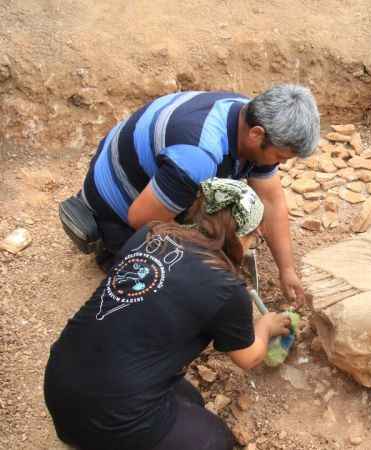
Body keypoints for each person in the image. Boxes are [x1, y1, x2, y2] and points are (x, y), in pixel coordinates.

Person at [45, 178, 292, 450]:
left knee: (192, 401)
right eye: (255, 236)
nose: (253, 244)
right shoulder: (225, 287)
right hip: (113, 416)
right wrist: (266, 326)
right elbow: (248, 357)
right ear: (242, 234)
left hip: (60, 384)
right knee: (216, 440)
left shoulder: (151, 233)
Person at [76, 84, 319, 303]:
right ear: (257, 135)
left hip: (158, 177)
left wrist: (286, 269)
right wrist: (212, 263)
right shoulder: (199, 154)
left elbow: (271, 200)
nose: (281, 164)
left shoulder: (248, 117)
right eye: (280, 157)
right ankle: (110, 247)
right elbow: (141, 217)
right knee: (184, 288)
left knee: (221, 229)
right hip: (117, 206)